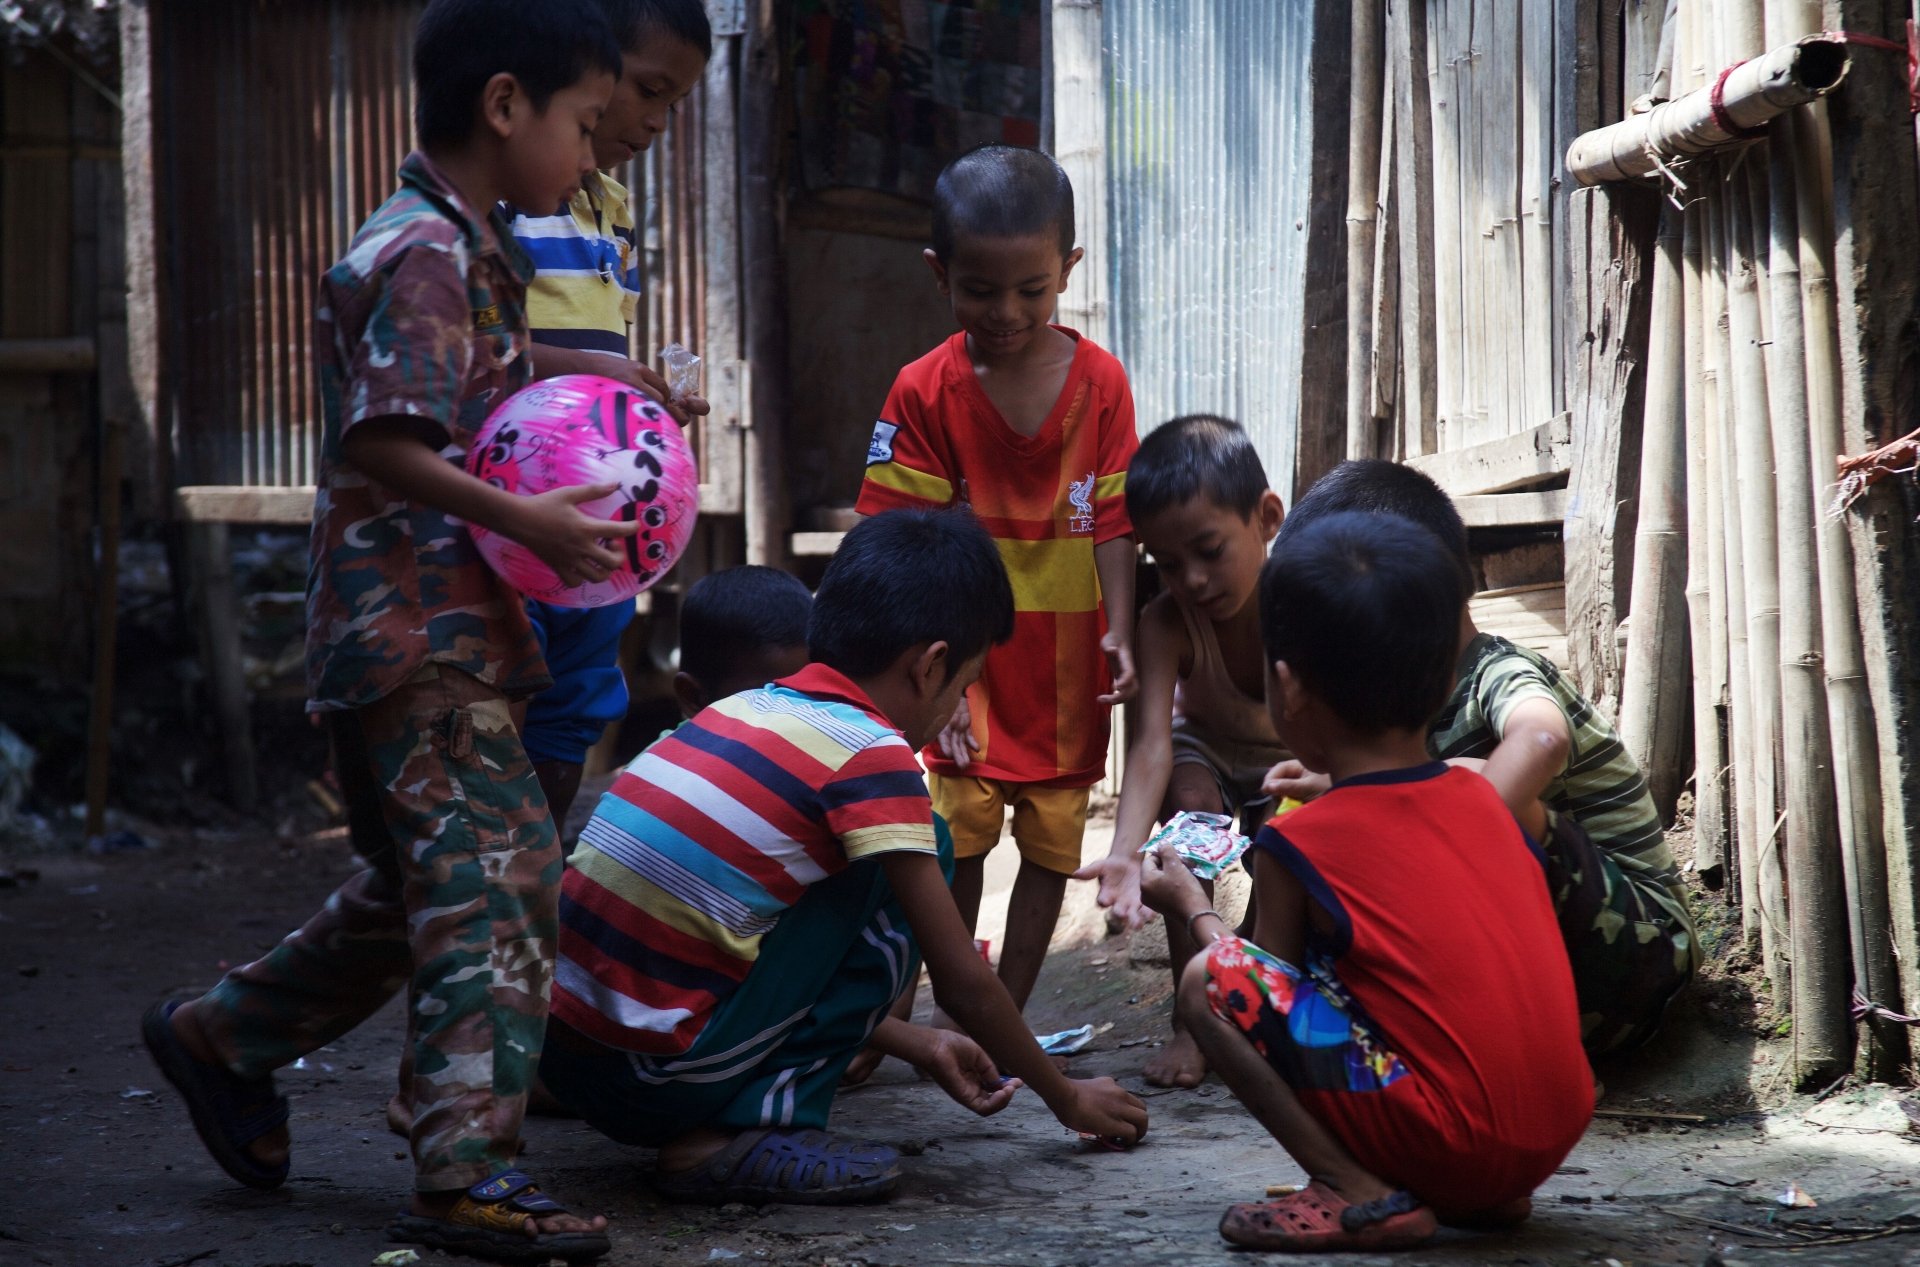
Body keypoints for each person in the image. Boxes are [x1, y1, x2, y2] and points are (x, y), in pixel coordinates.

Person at [141, 3, 625, 1261]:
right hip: (416, 630)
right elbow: (384, 438)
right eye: (583, 124)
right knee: (506, 881)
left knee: (425, 885)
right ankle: (466, 1170)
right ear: (506, 104)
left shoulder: (449, 244)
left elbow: (458, 399)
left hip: (416, 634)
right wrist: (526, 514)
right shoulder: (425, 251)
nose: (592, 154)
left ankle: (222, 1035)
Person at [539, 509, 1148, 1204]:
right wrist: (1066, 1095)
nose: (957, 702)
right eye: (964, 684)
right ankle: (737, 1133)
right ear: (930, 666)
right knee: (927, 849)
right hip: (655, 1083)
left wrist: (918, 1043)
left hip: (564, 1058)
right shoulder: (872, 753)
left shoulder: (738, 710)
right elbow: (962, 984)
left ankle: (696, 1102)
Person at [1141, 511, 1593, 1252]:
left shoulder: (1296, 839)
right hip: (1551, 1130)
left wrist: (1193, 905)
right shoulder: (1482, 794)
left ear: (1287, 687)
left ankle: (1357, 1189)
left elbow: (1252, 990)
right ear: (1446, 678)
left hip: (1456, 1136)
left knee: (1203, 981)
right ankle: (1481, 1190)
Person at [1264, 460, 1698, 1056]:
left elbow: (1542, 739)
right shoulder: (1396, 697)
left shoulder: (1497, 669)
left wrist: (1449, 817)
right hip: (1539, 991)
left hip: (1639, 958)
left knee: (1455, 788)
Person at [855, 144, 1139, 1021]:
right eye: (981, 290)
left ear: (1069, 272)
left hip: (1067, 669)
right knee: (955, 844)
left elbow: (1119, 525)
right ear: (940, 274)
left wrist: (1119, 631)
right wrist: (928, 675)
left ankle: (999, 1018)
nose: (1007, 312)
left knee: (1054, 846)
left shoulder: (1103, 384)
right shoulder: (923, 391)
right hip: (963, 667)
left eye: (1032, 289)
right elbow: (900, 538)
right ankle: (911, 1011)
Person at [509, 0, 713, 839]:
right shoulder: (507, 198)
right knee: (505, 680)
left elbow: (601, 345)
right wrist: (592, 370)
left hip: (596, 498)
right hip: (511, 499)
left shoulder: (612, 207)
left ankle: (537, 878)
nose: (657, 123)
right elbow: (484, 356)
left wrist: (645, 409)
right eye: (647, 92)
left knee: (584, 681)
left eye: (676, 105)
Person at [1073, 415, 1287, 1088]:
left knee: (1286, 847)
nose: (1191, 578)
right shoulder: (1165, 621)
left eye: (1209, 549)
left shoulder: (1306, 598)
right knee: (1184, 819)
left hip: (1293, 760)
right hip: (1209, 754)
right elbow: (1150, 749)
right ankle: (1188, 1022)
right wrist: (1129, 851)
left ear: (1268, 517)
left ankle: (1250, 1002)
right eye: (1168, 562)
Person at [670, 564, 813, 718]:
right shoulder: (669, 743)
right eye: (762, 701)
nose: (796, 715)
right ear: (694, 698)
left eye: (806, 695)